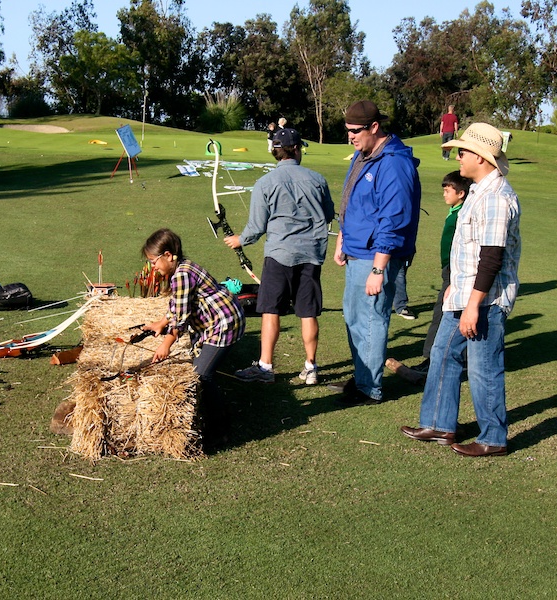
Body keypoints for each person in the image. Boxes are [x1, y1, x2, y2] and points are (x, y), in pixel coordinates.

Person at [400, 123, 521, 457]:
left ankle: (493, 438)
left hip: (484, 302)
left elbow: (492, 257)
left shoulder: (496, 198)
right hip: (463, 295)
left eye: (463, 151)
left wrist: (472, 305)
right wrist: (456, 285)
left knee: (484, 369)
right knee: (442, 354)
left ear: (482, 158)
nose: (458, 156)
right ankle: (440, 424)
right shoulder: (478, 191)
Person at [225, 128, 335, 385]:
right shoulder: (317, 179)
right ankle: (311, 367)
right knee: (308, 312)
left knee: (271, 311)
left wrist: (239, 240)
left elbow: (256, 226)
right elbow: (328, 214)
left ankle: (265, 367)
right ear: (296, 149)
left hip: (279, 254)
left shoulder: (265, 183)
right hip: (311, 254)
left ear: (277, 152)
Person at [332, 100, 421, 405]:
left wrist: (379, 269)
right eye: (347, 131)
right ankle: (362, 378)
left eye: (355, 131)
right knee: (354, 317)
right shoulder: (363, 156)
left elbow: (394, 218)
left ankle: (370, 389)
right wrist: (342, 238)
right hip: (357, 251)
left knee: (371, 319)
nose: (350, 137)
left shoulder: (394, 163)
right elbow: (351, 201)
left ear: (374, 127)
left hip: (376, 257)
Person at [141, 229, 246, 448]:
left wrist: (166, 344)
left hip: (223, 324)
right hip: (221, 319)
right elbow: (179, 304)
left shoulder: (181, 275)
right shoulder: (183, 267)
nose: (154, 267)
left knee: (202, 374)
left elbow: (181, 318)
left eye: (154, 261)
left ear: (168, 255)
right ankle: (214, 418)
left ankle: (221, 430)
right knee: (202, 371)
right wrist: (162, 322)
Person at [386, 170, 472, 383]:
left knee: (442, 314)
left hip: (456, 270)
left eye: (447, 190)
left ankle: (434, 359)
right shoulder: (455, 210)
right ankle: (447, 357)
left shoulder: (463, 214)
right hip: (450, 269)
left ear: (461, 193)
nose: (444, 194)